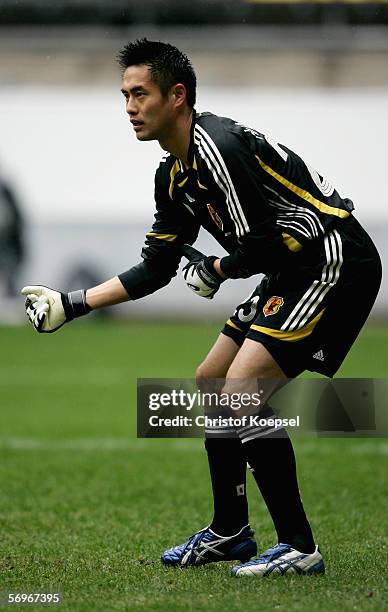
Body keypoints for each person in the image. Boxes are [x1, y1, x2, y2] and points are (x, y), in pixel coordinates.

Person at [22, 39, 381, 577]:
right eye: (124, 96)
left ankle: (299, 546)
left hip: (335, 258)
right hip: (294, 265)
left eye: (140, 94)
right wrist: (72, 304)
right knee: (212, 379)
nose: (129, 108)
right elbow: (156, 268)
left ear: (178, 96)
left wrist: (217, 270)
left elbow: (260, 244)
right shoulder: (174, 173)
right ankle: (231, 530)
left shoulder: (219, 146)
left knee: (241, 392)